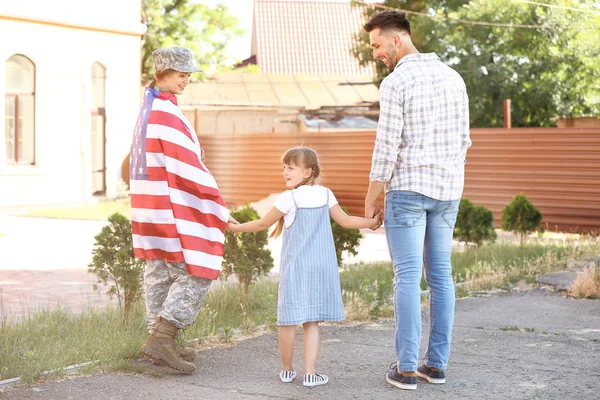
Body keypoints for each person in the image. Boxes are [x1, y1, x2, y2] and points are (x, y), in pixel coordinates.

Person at [362, 10, 472, 390]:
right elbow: (464, 142)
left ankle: (406, 368)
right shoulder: (454, 78)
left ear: (397, 39)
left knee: (407, 278)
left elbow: (387, 145)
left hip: (408, 190)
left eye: (377, 45)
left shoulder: (396, 82)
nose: (376, 53)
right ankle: (436, 366)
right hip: (447, 191)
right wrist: (449, 178)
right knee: (441, 278)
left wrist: (372, 195)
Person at [226, 147, 380, 387]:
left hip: (296, 269)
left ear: (308, 172)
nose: (284, 172)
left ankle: (287, 370)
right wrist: (371, 222)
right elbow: (347, 221)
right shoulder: (326, 194)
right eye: (284, 167)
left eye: (290, 167)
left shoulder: (290, 198)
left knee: (288, 321)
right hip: (320, 267)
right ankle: (310, 373)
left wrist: (234, 227)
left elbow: (262, 223)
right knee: (311, 321)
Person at [129, 46, 236, 374]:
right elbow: (187, 167)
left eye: (189, 73)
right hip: (171, 208)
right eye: (180, 73)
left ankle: (156, 343)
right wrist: (215, 205)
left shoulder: (149, 109)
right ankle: (163, 337)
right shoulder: (165, 113)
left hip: (150, 208)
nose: (187, 78)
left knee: (159, 273)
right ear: (161, 74)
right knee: (196, 271)